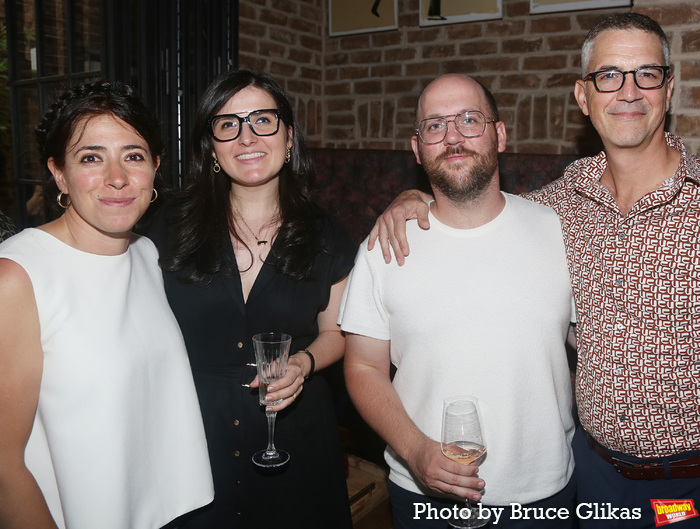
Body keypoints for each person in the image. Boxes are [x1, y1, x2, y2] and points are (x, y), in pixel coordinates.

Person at [370, 13, 700, 528]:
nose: (629, 91)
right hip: (589, 475)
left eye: (646, 74)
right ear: (582, 96)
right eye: (609, 75)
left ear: (668, 87)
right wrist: (412, 200)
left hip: (686, 487)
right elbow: (478, 207)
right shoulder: (559, 208)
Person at [339, 73, 577, 529]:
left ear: (499, 134)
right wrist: (415, 451)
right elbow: (363, 368)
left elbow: (592, 345)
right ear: (417, 148)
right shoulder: (384, 247)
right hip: (426, 498)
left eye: (470, 120)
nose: (452, 136)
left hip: (548, 494)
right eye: (434, 126)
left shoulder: (559, 231)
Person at [146, 69, 355, 528]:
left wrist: (303, 363)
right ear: (213, 147)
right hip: (194, 432)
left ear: (288, 136)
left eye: (263, 120)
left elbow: (335, 332)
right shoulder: (167, 225)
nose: (247, 137)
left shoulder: (326, 233)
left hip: (297, 438)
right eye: (228, 124)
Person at [0, 81, 213, 529]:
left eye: (133, 156)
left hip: (169, 513)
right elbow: (3, 466)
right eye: (91, 157)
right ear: (58, 173)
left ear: (155, 167)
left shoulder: (146, 254)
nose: (117, 177)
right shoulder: (17, 277)